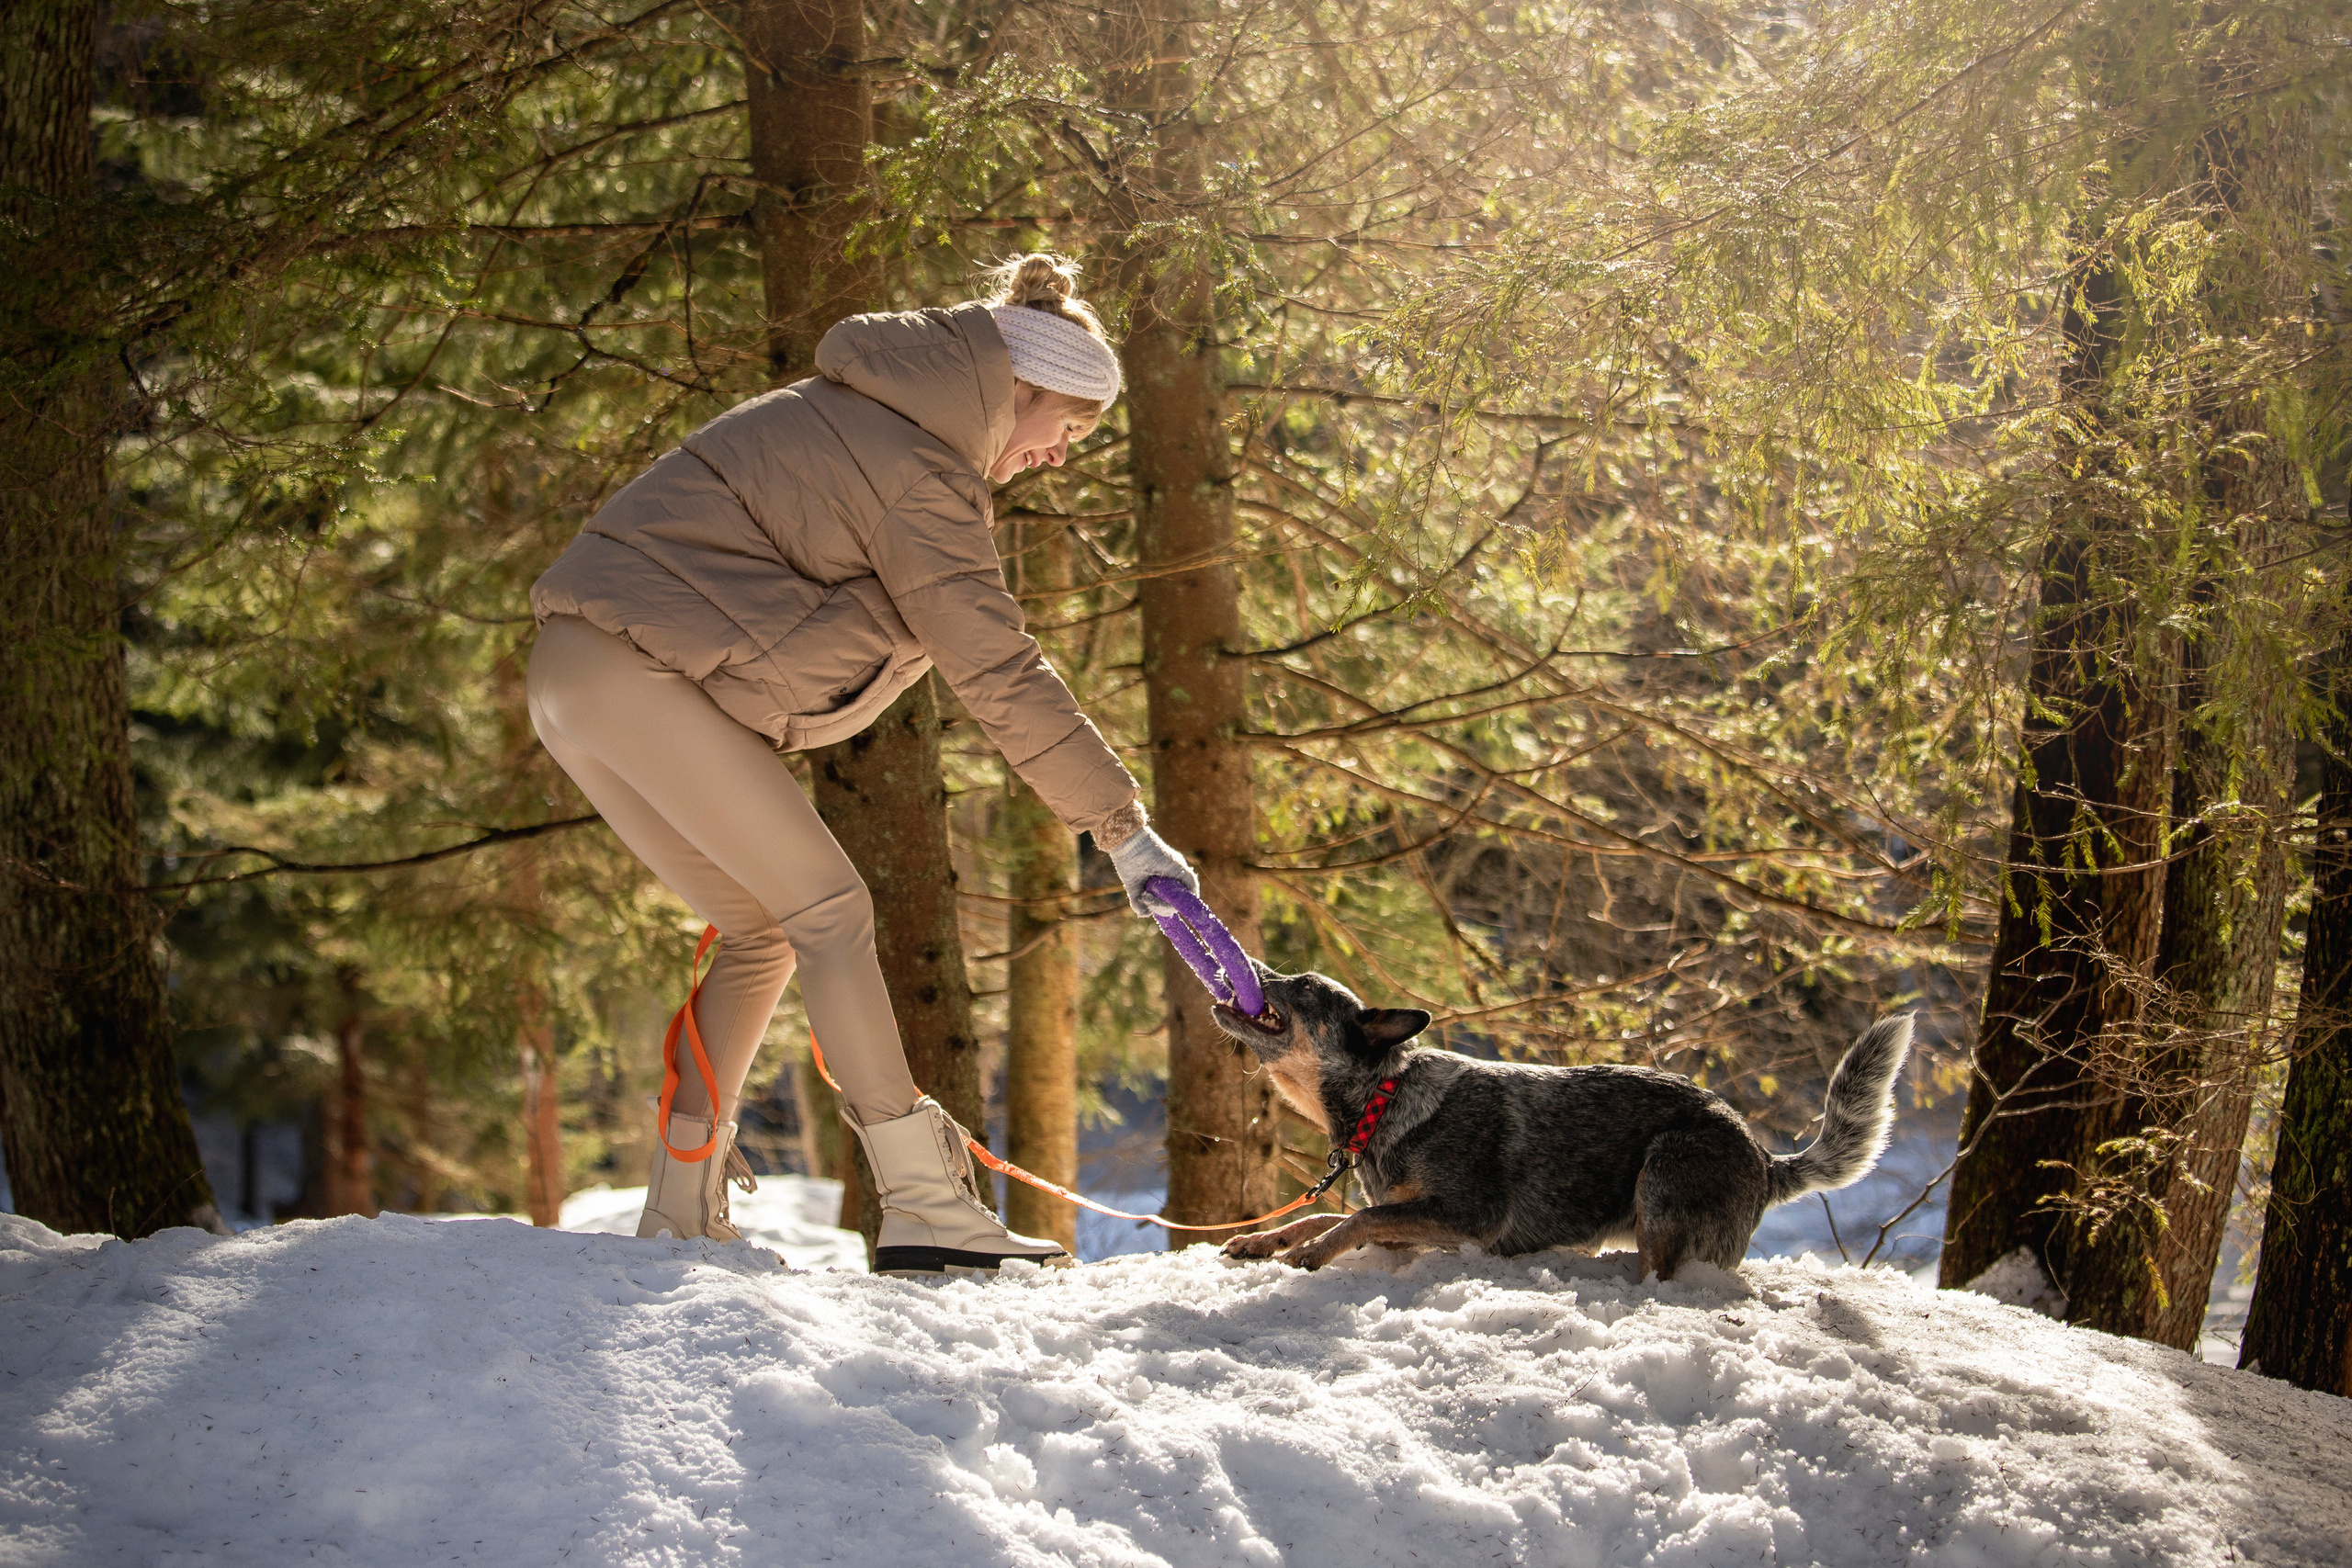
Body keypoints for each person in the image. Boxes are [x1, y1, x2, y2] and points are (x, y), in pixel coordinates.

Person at [526, 255, 1197, 1272]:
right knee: (831, 911)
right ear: (1023, 388)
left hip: (572, 672)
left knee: (764, 929)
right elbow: (998, 669)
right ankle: (923, 1199)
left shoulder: (864, 416)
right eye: (1068, 425)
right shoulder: (917, 472)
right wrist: (1120, 827)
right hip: (628, 668)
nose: (1062, 454)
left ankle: (676, 1207)